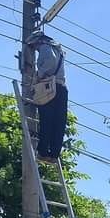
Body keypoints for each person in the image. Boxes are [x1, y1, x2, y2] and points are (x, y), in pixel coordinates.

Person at [28, 31, 68, 162]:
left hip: (49, 88)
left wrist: (39, 75)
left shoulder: (45, 47)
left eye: (34, 46)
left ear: (38, 41)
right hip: (61, 88)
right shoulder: (58, 49)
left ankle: (43, 152)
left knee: (47, 120)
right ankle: (54, 154)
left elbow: (50, 62)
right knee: (59, 123)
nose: (35, 49)